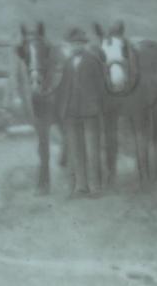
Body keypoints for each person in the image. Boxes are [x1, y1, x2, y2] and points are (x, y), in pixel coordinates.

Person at [59, 27, 103, 198]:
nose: (76, 46)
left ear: (84, 45)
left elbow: (101, 87)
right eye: (73, 43)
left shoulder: (93, 61)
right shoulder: (68, 63)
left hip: (90, 111)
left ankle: (95, 187)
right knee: (76, 151)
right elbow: (64, 87)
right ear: (70, 45)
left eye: (80, 43)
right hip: (71, 112)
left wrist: (96, 105)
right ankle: (81, 186)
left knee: (92, 151)